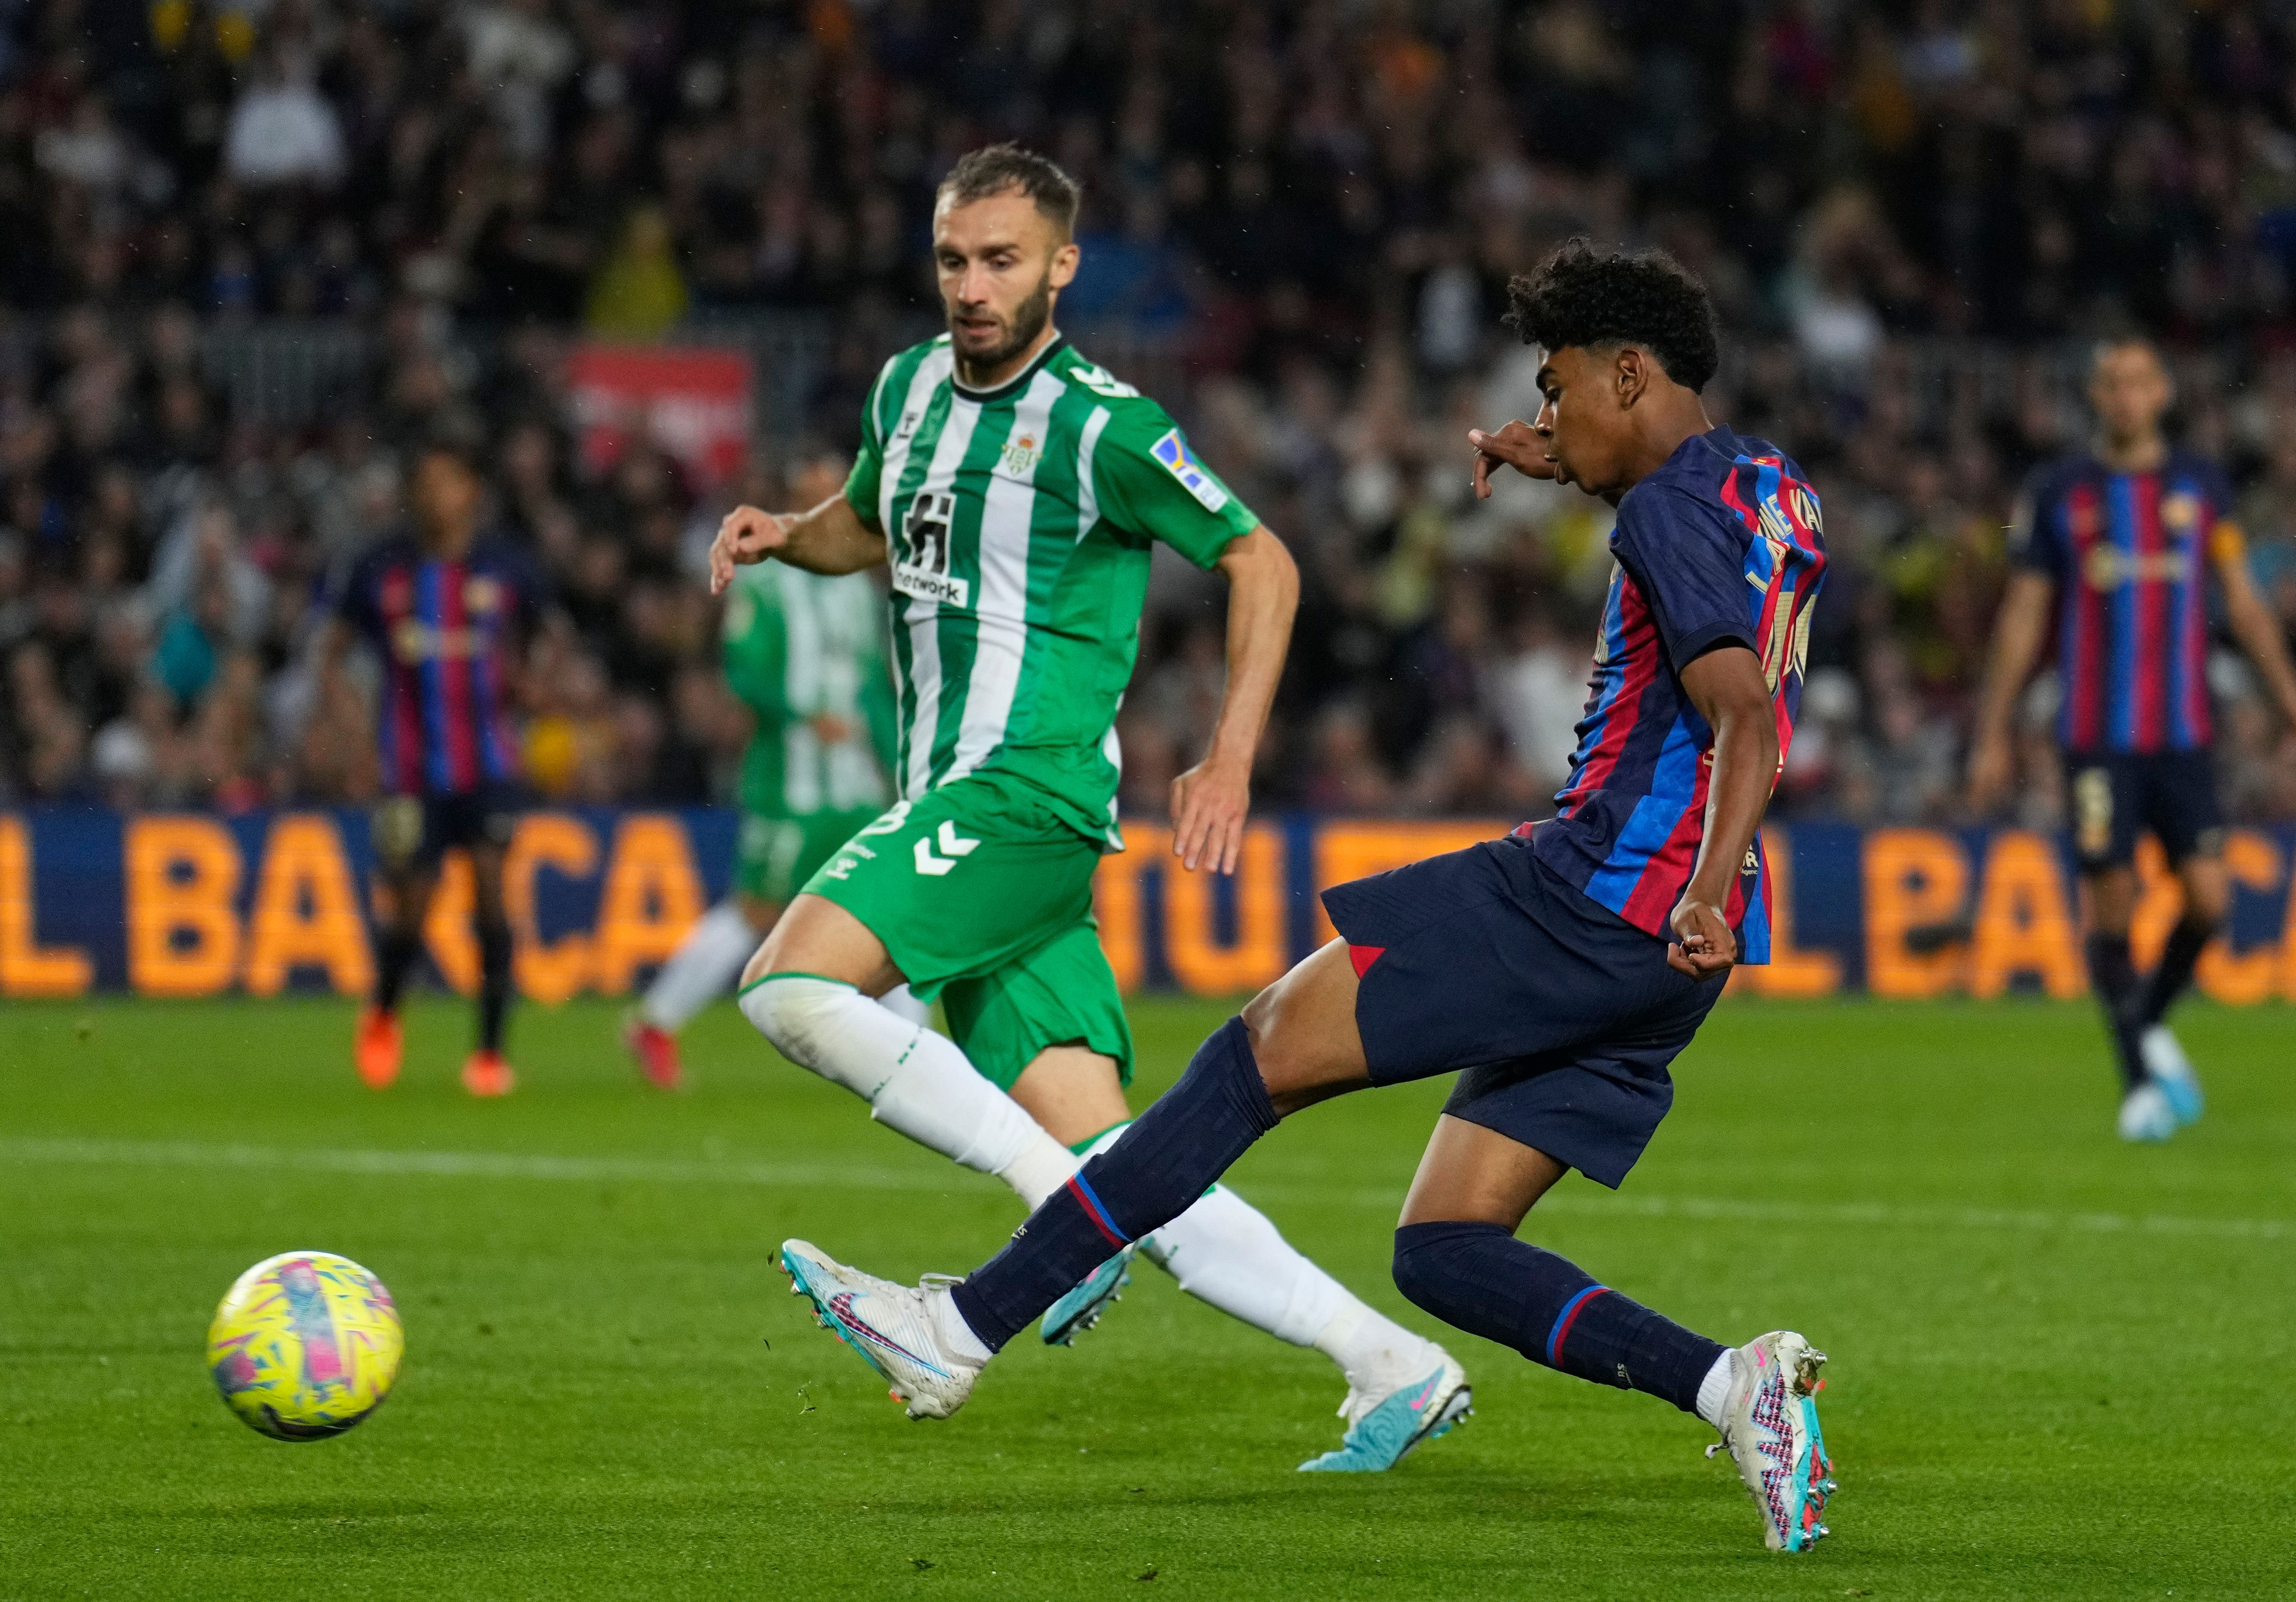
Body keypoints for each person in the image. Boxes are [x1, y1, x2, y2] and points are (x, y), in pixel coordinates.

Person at [767, 243, 1841, 1554]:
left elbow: (1740, 715)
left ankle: (957, 1328)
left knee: (1256, 1051)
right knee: (1445, 1246)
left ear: (1630, 371)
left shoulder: (1663, 512)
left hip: (1601, 890)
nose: (1546, 415)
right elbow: (1721, 584)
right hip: (1663, 953)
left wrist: (1707, 883)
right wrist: (1573, 454)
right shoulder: (1765, 483)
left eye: (1558, 389)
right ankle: (1741, 1388)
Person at [708, 143, 1464, 1471]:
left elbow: (1261, 558)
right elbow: (876, 521)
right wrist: (790, 526)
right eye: (953, 258)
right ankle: (1389, 1360)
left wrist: (1228, 755)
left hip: (1024, 789)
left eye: (1001, 260)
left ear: (1062, 263)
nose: (972, 286)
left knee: (788, 985)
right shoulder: (907, 388)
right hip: (964, 798)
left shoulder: (1102, 424)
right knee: (1129, 1160)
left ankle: (1011, 1260)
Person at [1968, 338, 2296, 1142]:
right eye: (2110, 384)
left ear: (2161, 391)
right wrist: (1991, 731)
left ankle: (2148, 1022)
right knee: (2112, 906)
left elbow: (2243, 602)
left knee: (2209, 900)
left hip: (2183, 735)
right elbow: (2023, 617)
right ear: (2094, 396)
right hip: (2096, 738)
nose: (2124, 396)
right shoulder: (2061, 491)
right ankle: (2135, 1085)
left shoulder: (2202, 487)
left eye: (2137, 382)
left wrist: (2293, 700)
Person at [623, 456, 921, 1091]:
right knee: (757, 909)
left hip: (856, 784)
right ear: (795, 501)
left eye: (836, 492)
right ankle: (655, 1022)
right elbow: (742, 672)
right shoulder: (764, 586)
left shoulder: (854, 585)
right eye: (814, 492)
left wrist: (898, 759)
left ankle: (916, 1056)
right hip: (789, 781)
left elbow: (872, 683)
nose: (831, 504)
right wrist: (801, 713)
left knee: (892, 908)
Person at [335, 432, 547, 1096]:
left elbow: (538, 645)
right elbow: (333, 652)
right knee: (412, 909)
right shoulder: (381, 570)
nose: (437, 496)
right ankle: (385, 1011)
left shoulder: (508, 569)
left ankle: (488, 1051)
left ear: (472, 492)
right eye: (425, 483)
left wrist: (535, 690)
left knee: (491, 898)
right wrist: (346, 732)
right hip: (409, 770)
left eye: (449, 481)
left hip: (488, 766)